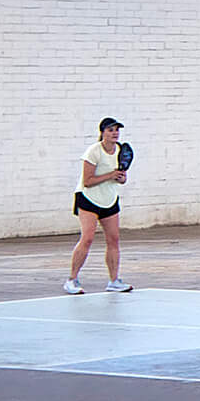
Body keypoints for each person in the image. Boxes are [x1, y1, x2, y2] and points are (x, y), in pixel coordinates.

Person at [65, 117, 134, 295]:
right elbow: (87, 181)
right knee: (87, 238)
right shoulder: (93, 152)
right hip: (88, 199)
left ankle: (114, 281)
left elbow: (122, 178)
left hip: (109, 200)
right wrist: (111, 174)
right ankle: (71, 280)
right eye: (111, 130)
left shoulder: (120, 150)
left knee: (114, 240)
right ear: (102, 132)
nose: (115, 133)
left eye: (117, 130)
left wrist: (121, 178)